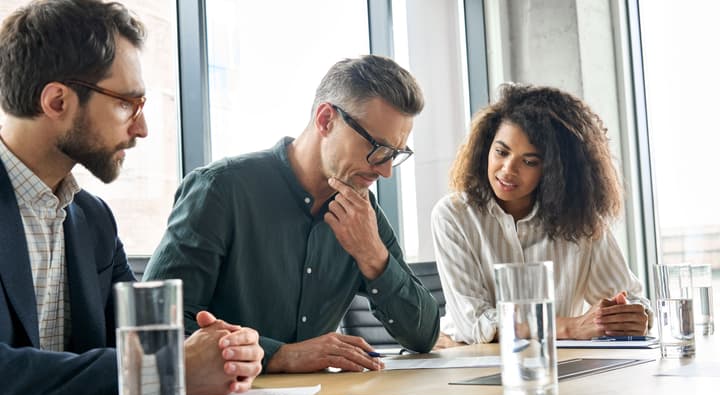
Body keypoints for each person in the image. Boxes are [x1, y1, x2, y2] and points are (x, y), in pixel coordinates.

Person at [0, 0, 262, 395]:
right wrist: (167, 368)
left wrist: (224, 353)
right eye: (127, 103)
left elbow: (141, 344)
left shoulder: (94, 220)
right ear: (57, 102)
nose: (142, 128)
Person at [144, 55, 440, 373]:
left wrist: (373, 256)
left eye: (395, 155)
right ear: (326, 120)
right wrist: (281, 355)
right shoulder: (220, 190)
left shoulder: (362, 213)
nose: (385, 172)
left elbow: (423, 336)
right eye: (377, 148)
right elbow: (155, 323)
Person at [431, 83, 652, 346]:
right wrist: (570, 328)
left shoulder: (581, 221)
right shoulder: (453, 215)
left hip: (557, 363)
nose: (508, 170)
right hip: (468, 358)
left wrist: (632, 316)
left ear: (554, 170)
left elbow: (630, 298)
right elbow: (475, 325)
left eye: (529, 161)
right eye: (501, 152)